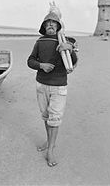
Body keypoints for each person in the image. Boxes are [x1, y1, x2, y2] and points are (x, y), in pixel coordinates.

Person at [27, 11, 78, 167]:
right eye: (47, 23)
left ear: (58, 26)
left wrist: (68, 48)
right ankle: (49, 141)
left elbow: (74, 62)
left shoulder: (67, 41)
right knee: (46, 116)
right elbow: (30, 60)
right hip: (41, 84)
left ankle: (50, 150)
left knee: (54, 119)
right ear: (43, 26)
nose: (50, 24)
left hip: (59, 86)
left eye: (53, 22)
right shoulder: (40, 42)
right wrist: (41, 65)